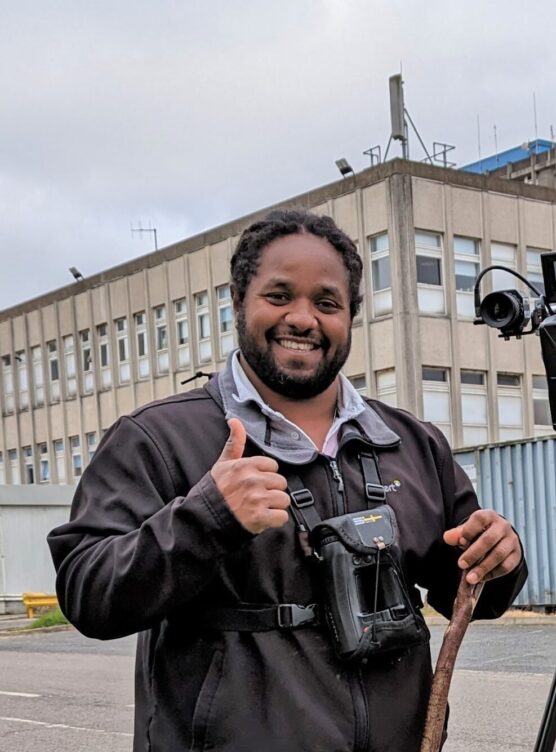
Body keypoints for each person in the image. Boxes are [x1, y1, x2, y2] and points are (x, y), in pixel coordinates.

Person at [48, 209, 527, 751]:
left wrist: (500, 556)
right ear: (237, 302)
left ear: (352, 316)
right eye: (279, 296)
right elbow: (88, 592)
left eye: (327, 303)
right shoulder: (156, 438)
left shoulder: (411, 442)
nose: (302, 319)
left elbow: (475, 594)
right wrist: (206, 518)